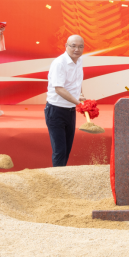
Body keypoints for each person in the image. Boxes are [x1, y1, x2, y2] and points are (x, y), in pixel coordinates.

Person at [45, 34, 85, 167]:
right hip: (56, 111)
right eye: (73, 46)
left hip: (70, 110)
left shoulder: (79, 60)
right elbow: (59, 89)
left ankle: (62, 175)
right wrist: (79, 104)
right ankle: (57, 178)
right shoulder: (59, 63)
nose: (77, 50)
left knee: (67, 150)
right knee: (60, 151)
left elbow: (77, 82)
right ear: (66, 46)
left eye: (80, 47)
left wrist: (80, 95)